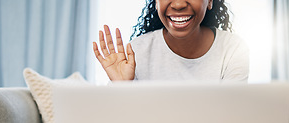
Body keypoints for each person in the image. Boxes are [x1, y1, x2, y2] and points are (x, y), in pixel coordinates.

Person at [93, 0, 249, 82]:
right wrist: (122, 88)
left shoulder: (232, 49)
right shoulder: (136, 53)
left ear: (209, 1)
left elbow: (230, 118)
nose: (179, 4)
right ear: (155, 2)